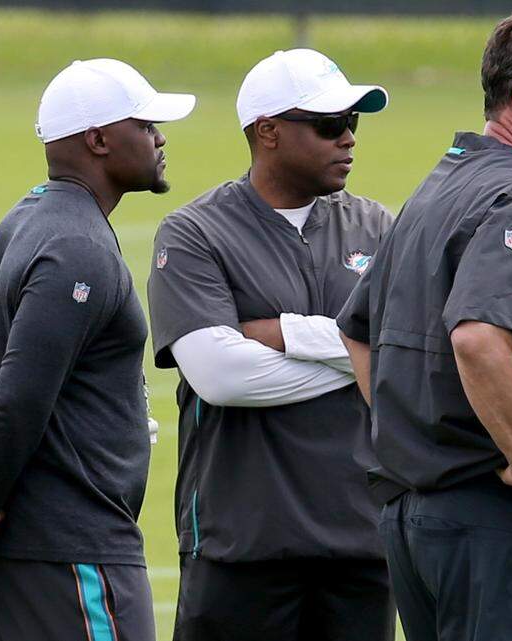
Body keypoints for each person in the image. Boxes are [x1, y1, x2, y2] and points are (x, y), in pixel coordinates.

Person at [336, 8, 512, 641]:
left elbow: (357, 332)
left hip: (416, 520)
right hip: (488, 522)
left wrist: (417, 445)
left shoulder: (442, 182)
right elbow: (479, 337)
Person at [0, 58, 195, 640]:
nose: (160, 138)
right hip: (72, 559)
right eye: (145, 125)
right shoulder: (79, 247)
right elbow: (15, 404)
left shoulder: (15, 226)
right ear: (98, 140)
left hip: (9, 564)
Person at [145, 49, 394, 641]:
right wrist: (360, 352)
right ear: (268, 132)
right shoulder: (194, 232)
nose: (350, 140)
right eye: (331, 126)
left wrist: (281, 332)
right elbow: (222, 376)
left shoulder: (380, 227)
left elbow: (410, 359)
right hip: (241, 545)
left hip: (363, 543)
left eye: (354, 123)